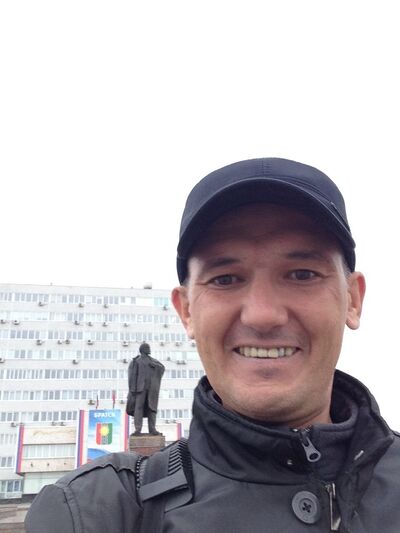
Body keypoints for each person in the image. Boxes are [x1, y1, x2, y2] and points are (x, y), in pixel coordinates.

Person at [25, 158, 400, 532]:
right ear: (186, 311)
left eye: (302, 274)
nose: (262, 315)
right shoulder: (94, 512)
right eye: (225, 279)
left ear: (352, 300)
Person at [126, 342, 165, 435]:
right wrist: (132, 389)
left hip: (151, 389)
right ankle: (137, 429)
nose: (149, 349)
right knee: (138, 408)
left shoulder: (153, 361)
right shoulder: (136, 361)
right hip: (139, 389)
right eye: (147, 348)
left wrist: (155, 366)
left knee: (152, 408)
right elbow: (131, 375)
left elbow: (162, 368)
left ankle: (152, 429)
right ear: (142, 350)